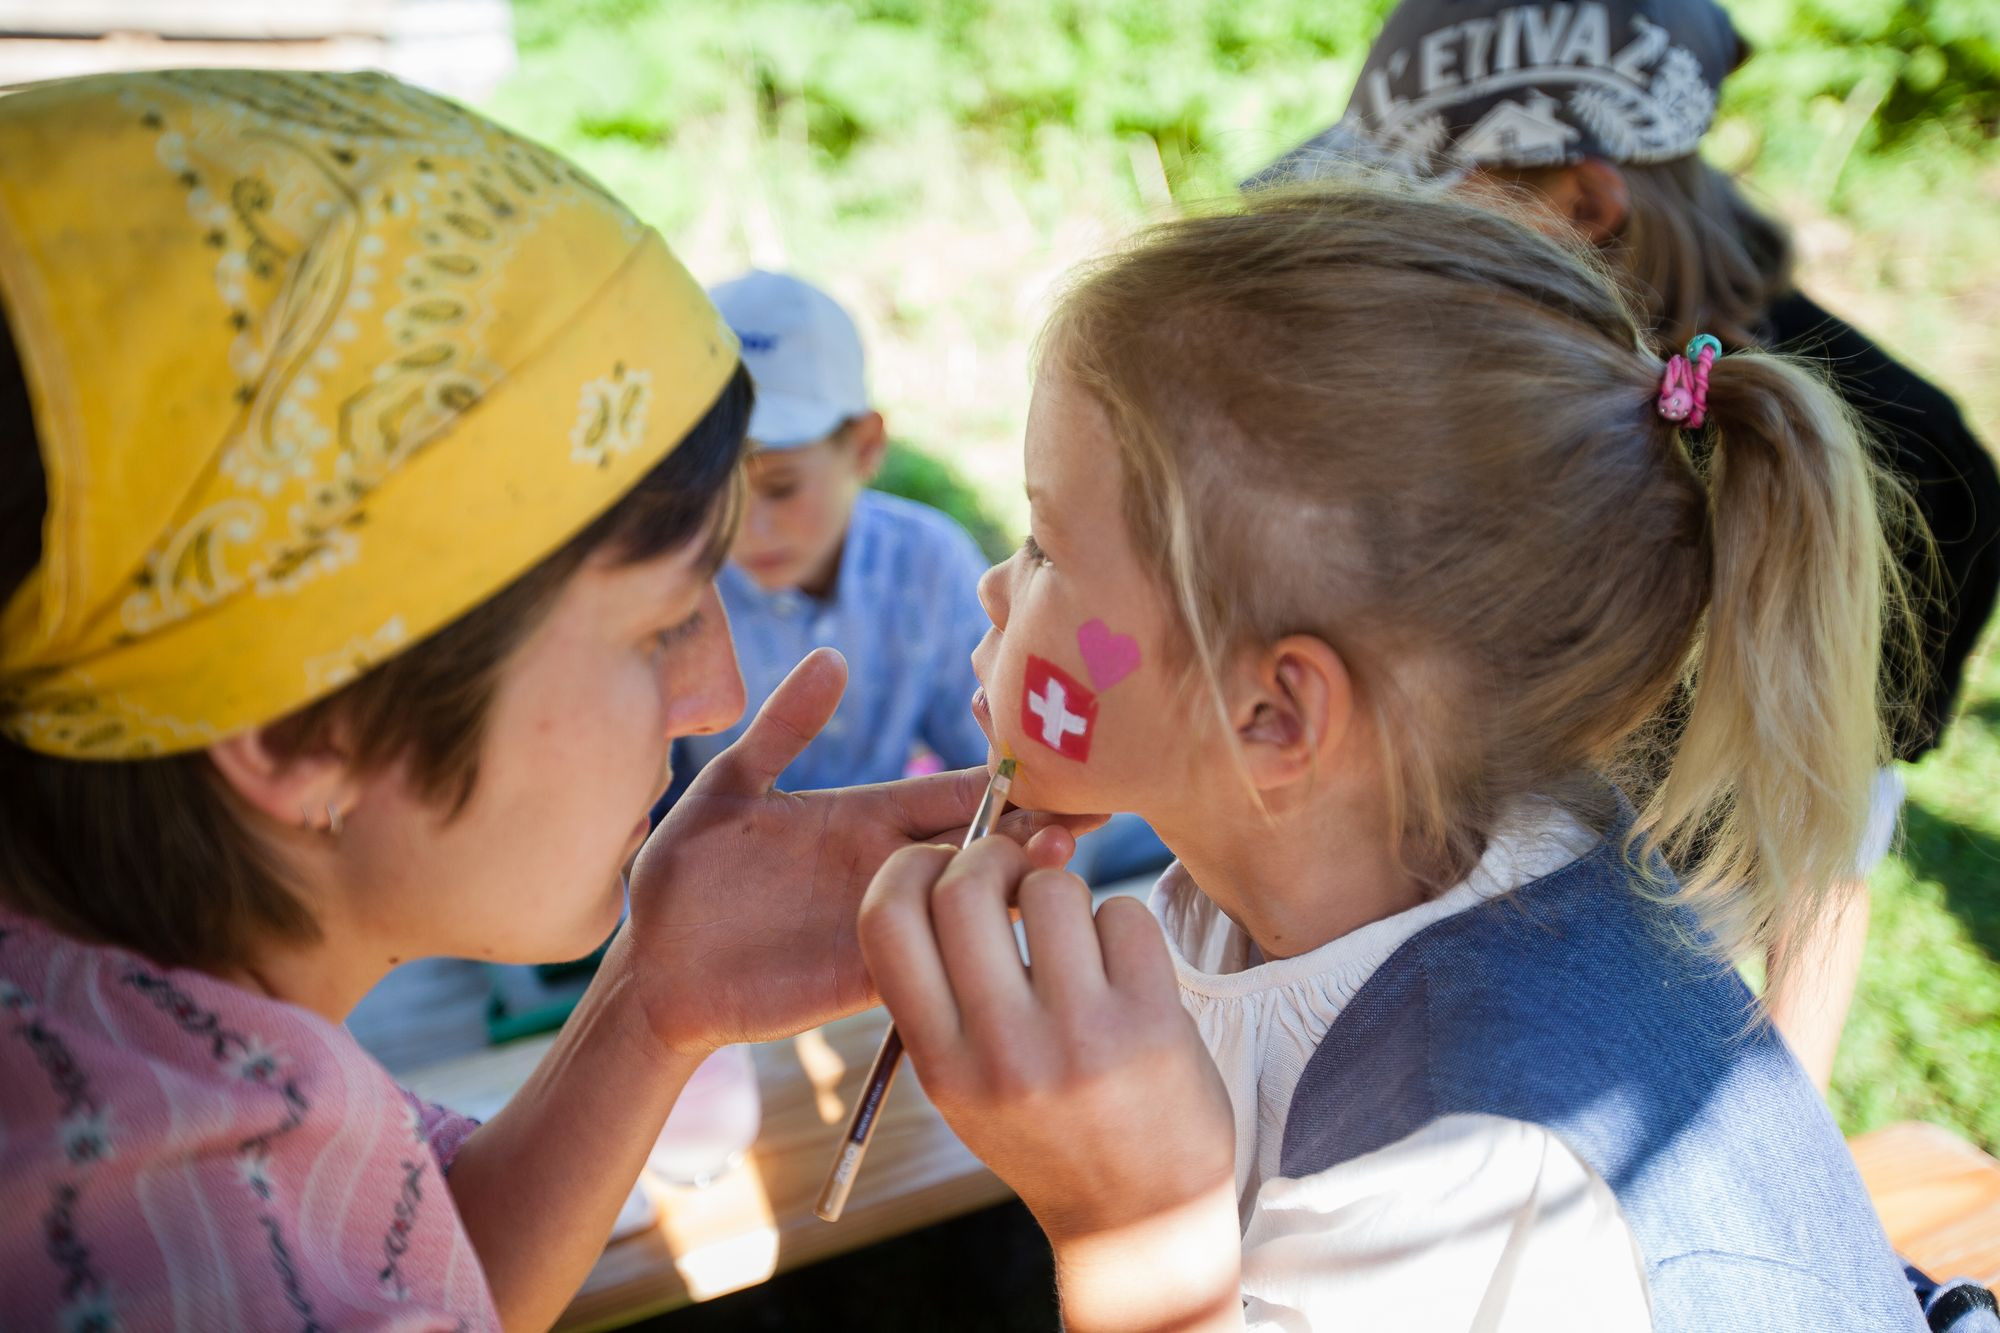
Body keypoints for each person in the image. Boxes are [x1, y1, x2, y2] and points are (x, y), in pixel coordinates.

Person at [0, 70, 1083, 1329]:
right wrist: (1129, 1212)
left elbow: (424, 1249)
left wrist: (653, 996)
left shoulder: (130, 1033)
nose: (717, 691)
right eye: (661, 620)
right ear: (309, 724)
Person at [856, 180, 1934, 1330]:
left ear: (1272, 717)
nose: (992, 585)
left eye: (1042, 547)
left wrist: (1119, 1214)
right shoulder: (1401, 849)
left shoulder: (1458, 1159)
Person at [1257, 0, 2000, 1090]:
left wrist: (1778, 1130)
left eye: (1422, 213)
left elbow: (1831, 832)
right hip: (1402, 979)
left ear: (1584, 203)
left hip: (1630, 1018)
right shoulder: (1443, 386)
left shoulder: (1914, 474)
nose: (1388, 256)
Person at [661, 268, 1169, 884]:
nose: (747, 526)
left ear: (866, 445)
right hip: (715, 891)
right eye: (714, 490)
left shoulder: (924, 564)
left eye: (782, 487)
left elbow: (1004, 768)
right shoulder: (669, 586)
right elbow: (645, 819)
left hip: (891, 877)